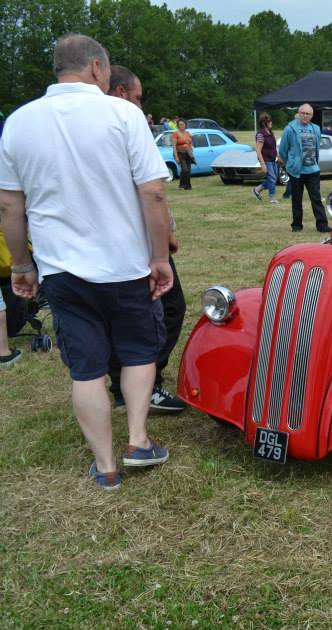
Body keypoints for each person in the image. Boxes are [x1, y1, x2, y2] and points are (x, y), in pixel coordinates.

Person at [0, 33, 173, 489]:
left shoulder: (18, 122)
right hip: (126, 264)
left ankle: (106, 466)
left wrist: (21, 264)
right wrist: (161, 257)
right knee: (138, 352)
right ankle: (137, 440)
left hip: (61, 270)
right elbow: (153, 192)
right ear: (97, 68)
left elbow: (9, 207)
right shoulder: (123, 114)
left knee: (87, 368)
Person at [106, 64, 188, 412]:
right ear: (122, 93)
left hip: (97, 244)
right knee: (168, 307)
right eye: (137, 97)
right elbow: (153, 189)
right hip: (136, 239)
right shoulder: (127, 120)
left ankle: (122, 387)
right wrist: (164, 236)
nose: (141, 106)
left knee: (112, 318)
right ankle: (147, 383)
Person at [278, 103, 329, 233]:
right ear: (298, 113)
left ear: (312, 115)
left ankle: (322, 225)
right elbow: (283, 150)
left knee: (316, 198)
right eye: (303, 113)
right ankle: (296, 225)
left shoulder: (316, 129)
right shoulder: (290, 129)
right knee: (296, 199)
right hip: (297, 171)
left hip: (313, 170)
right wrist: (291, 163)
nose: (305, 116)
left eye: (308, 114)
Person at [252, 112, 279, 205]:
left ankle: (257, 189)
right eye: (269, 121)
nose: (271, 122)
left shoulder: (271, 132)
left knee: (274, 179)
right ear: (264, 123)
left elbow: (274, 147)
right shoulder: (260, 134)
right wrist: (262, 164)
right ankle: (272, 198)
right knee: (272, 179)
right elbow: (258, 150)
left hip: (273, 159)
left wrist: (278, 156)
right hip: (266, 160)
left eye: (271, 120)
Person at [171, 118, 193, 190]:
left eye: (183, 124)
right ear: (178, 125)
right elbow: (174, 146)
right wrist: (176, 157)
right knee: (185, 169)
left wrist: (191, 150)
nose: (182, 126)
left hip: (188, 153)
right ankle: (188, 186)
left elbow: (190, 143)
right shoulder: (175, 134)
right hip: (180, 154)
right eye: (180, 124)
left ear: (185, 125)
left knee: (187, 171)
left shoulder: (188, 133)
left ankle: (182, 185)